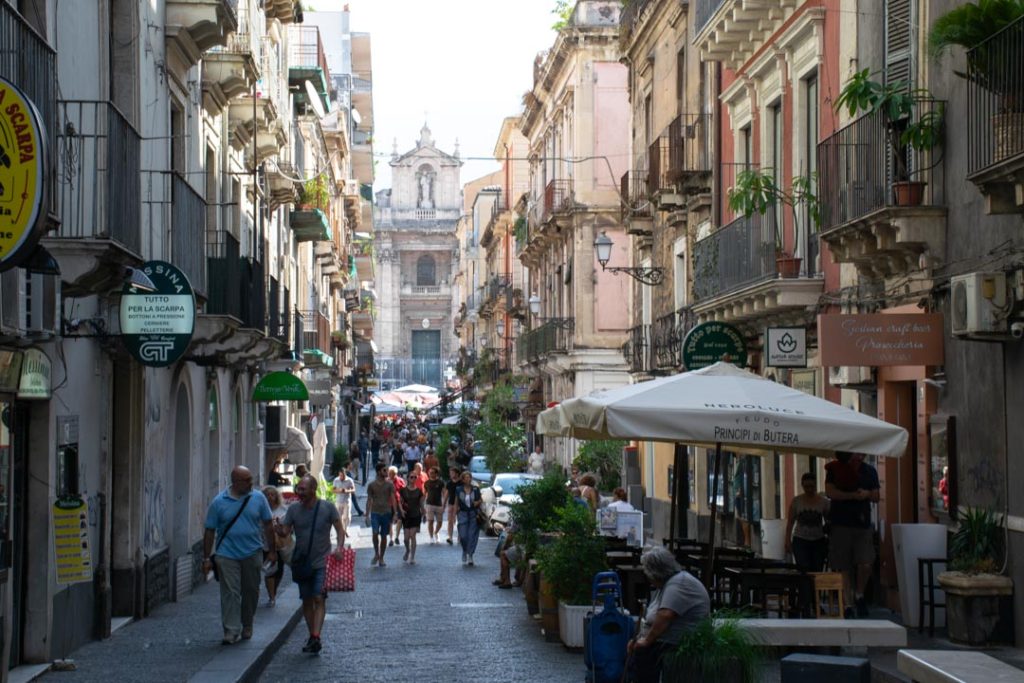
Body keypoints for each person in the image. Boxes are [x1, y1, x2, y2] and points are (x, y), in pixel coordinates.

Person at [202, 466, 275, 645]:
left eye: (251, 479)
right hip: (226, 554)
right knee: (230, 592)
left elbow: (268, 524)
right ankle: (231, 630)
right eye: (247, 480)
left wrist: (272, 550)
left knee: (251, 590)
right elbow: (210, 530)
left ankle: (247, 623)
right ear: (235, 482)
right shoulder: (219, 502)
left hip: (252, 552)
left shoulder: (258, 498)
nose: (252, 483)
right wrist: (206, 558)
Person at [274, 475, 344, 654]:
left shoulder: (327, 508)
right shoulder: (293, 510)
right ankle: (312, 634)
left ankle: (315, 636)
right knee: (306, 600)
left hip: (322, 561)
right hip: (302, 562)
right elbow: (285, 532)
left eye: (303, 489)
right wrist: (278, 529)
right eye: (298, 489)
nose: (299, 492)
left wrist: (340, 548)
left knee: (319, 597)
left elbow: (339, 529)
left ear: (313, 489)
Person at [627, 546, 710, 682]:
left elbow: (665, 615)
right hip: (666, 642)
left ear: (655, 572)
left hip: (676, 643)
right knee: (635, 652)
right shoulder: (668, 584)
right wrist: (638, 639)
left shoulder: (679, 583)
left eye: (647, 573)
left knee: (643, 654)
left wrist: (646, 641)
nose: (647, 577)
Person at [825, 451, 880, 618]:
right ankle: (848, 604)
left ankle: (859, 594)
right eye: (857, 453)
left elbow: (877, 496)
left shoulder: (869, 471)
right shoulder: (836, 468)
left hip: (862, 524)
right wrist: (852, 496)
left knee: (866, 563)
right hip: (840, 523)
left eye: (863, 453)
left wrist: (868, 494)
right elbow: (830, 492)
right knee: (843, 566)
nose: (860, 456)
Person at [785, 472, 830, 573]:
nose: (809, 489)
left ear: (815, 485)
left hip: (818, 540)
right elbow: (790, 522)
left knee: (817, 570)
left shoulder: (823, 502)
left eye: (811, 486)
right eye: (806, 487)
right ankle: (805, 589)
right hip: (800, 540)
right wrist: (787, 540)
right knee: (803, 569)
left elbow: (829, 521)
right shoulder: (797, 501)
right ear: (802, 486)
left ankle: (813, 589)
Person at [262, 486, 292, 608]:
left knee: (279, 571)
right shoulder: (261, 510)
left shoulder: (284, 510)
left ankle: (273, 591)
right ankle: (271, 597)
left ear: (277, 496)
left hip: (281, 546)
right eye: (267, 495)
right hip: (266, 545)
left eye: (272, 494)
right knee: (269, 570)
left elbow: (290, 526)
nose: (270, 497)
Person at [365, 463, 397, 567]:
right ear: (379, 472)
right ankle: (376, 553)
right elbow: (369, 500)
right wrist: (366, 514)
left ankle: (381, 557)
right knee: (375, 533)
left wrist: (395, 513)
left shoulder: (390, 485)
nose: (387, 472)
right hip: (375, 512)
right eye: (384, 470)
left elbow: (393, 499)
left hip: (386, 512)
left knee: (384, 536)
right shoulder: (371, 485)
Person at [455, 470, 482, 566]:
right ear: (462, 479)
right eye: (466, 477)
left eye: (469, 477)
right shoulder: (459, 489)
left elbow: (480, 500)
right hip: (462, 514)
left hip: (473, 514)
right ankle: (464, 550)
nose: (468, 479)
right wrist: (455, 515)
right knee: (463, 536)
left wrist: (477, 502)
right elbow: (456, 502)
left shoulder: (475, 489)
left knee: (472, 536)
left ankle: (470, 555)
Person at [399, 475, 425, 563]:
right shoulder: (403, 490)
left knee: (412, 535)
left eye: (414, 477)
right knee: (406, 538)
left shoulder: (419, 491)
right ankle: (407, 550)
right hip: (406, 515)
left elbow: (421, 504)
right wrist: (401, 510)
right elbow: (399, 501)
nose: (413, 479)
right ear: (408, 478)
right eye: (411, 477)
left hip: (416, 515)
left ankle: (412, 557)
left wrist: (424, 514)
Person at [423, 466, 446, 543]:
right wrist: (422, 505)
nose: (430, 474)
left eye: (432, 473)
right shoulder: (426, 483)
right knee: (430, 521)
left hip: (439, 504)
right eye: (429, 473)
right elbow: (424, 494)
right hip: (429, 504)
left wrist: (444, 504)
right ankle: (431, 537)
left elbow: (444, 493)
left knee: (440, 522)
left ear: (436, 474)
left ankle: (436, 532)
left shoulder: (440, 482)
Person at [332, 468, 355, 535]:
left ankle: (346, 529)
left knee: (346, 516)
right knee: (339, 517)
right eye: (340, 475)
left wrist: (347, 491)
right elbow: (333, 490)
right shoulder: (336, 480)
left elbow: (353, 490)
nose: (341, 477)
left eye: (343, 475)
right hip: (338, 501)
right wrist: (339, 490)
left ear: (345, 474)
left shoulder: (349, 480)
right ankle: (340, 530)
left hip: (346, 501)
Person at [387, 466, 406, 546]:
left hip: (399, 504)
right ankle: (391, 539)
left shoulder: (400, 481)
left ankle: (397, 537)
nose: (391, 475)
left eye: (393, 474)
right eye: (390, 473)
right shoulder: (386, 482)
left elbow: (404, 492)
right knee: (389, 522)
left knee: (400, 520)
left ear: (396, 474)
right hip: (388, 504)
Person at [444, 466, 461, 545]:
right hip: (451, 504)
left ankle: (460, 537)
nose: (451, 474)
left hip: (461, 505)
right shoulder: (449, 483)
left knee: (460, 522)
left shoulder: (461, 483)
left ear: (457, 474)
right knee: (450, 521)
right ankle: (450, 537)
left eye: (453, 473)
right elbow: (446, 494)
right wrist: (444, 504)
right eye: (450, 473)